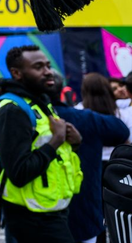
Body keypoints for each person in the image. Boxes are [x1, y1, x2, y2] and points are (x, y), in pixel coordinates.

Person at [0, 46, 83, 242]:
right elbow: (19, 172)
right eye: (38, 67)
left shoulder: (40, 102)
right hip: (32, 217)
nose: (48, 71)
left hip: (50, 210)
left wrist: (75, 143)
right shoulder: (12, 110)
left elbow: (54, 158)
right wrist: (56, 140)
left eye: (48, 65)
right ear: (16, 73)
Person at [53, 71, 129, 243]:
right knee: (110, 214)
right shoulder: (117, 114)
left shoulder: (79, 112)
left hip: (89, 171)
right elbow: (125, 137)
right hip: (115, 169)